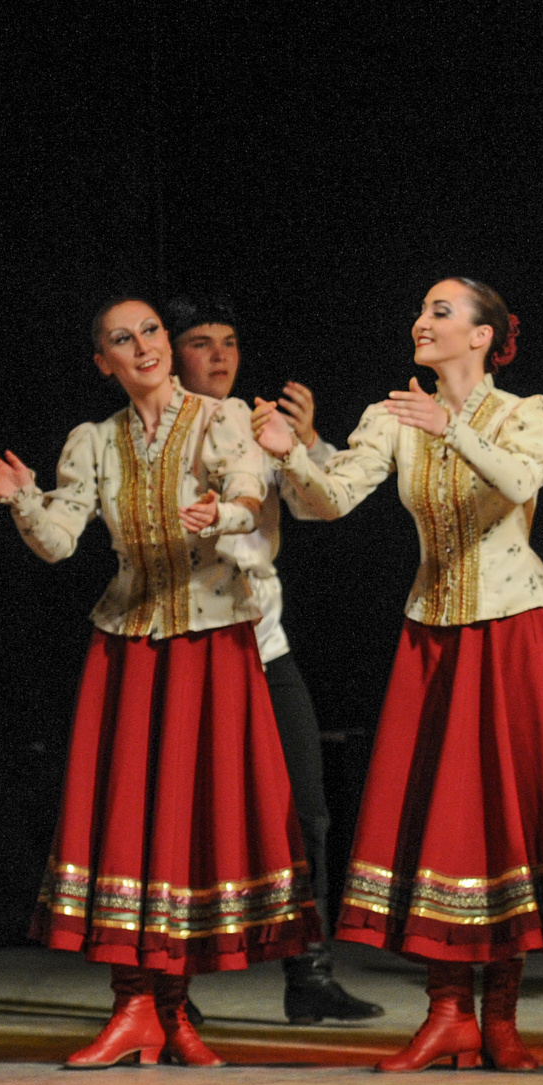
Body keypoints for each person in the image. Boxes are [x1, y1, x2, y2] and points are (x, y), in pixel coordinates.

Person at [256, 278, 543, 1071]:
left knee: (503, 820)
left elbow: (519, 482)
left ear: (484, 335)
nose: (422, 320)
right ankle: (447, 1012)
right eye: (421, 309)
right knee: (437, 821)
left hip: (511, 631)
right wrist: (297, 456)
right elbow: (331, 501)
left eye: (442, 312)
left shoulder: (530, 412)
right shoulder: (394, 415)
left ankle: (503, 1020)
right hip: (434, 635)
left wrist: (452, 429)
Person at [0, 297, 313, 1066]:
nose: (143, 347)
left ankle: (177, 1012)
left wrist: (221, 514)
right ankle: (135, 1006)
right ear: (104, 361)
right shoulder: (93, 441)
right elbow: (62, 543)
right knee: (131, 825)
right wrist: (23, 502)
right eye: (122, 340)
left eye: (151, 332)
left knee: (193, 824)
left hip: (210, 640)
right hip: (130, 642)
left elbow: (247, 492)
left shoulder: (219, 417)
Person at [168, 296, 384, 1024]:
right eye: (202, 343)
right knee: (191, 817)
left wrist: (306, 441)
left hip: (266, 645)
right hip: (192, 643)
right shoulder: (160, 435)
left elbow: (326, 505)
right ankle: (173, 985)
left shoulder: (259, 427)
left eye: (229, 341)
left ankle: (310, 972)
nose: (221, 356)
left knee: (307, 811)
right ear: (172, 354)